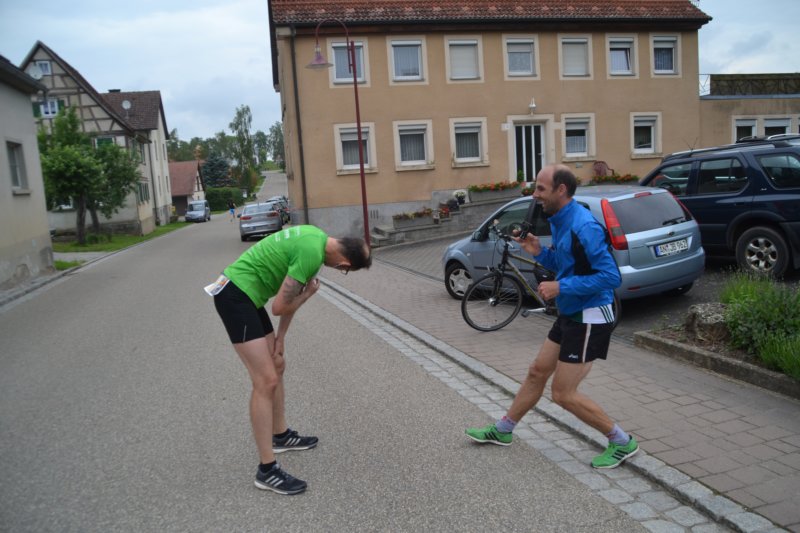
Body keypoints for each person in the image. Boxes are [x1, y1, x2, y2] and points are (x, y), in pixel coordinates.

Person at [465, 164, 638, 469]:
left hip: (591, 315)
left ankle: (622, 442)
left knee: (563, 394)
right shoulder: (559, 219)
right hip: (571, 310)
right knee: (537, 372)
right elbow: (567, 264)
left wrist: (561, 286)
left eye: (541, 189)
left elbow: (611, 277)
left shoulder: (584, 226)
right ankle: (503, 430)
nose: (535, 194)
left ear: (561, 190)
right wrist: (539, 252)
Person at [208, 225, 371, 494]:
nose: (340, 270)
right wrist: (307, 295)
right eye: (344, 270)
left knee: (277, 365)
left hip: (248, 296)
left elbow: (285, 300)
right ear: (344, 264)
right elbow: (280, 306)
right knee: (265, 381)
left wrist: (281, 338)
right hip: (235, 296)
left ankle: (281, 435)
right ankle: (267, 470)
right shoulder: (311, 254)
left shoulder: (315, 238)